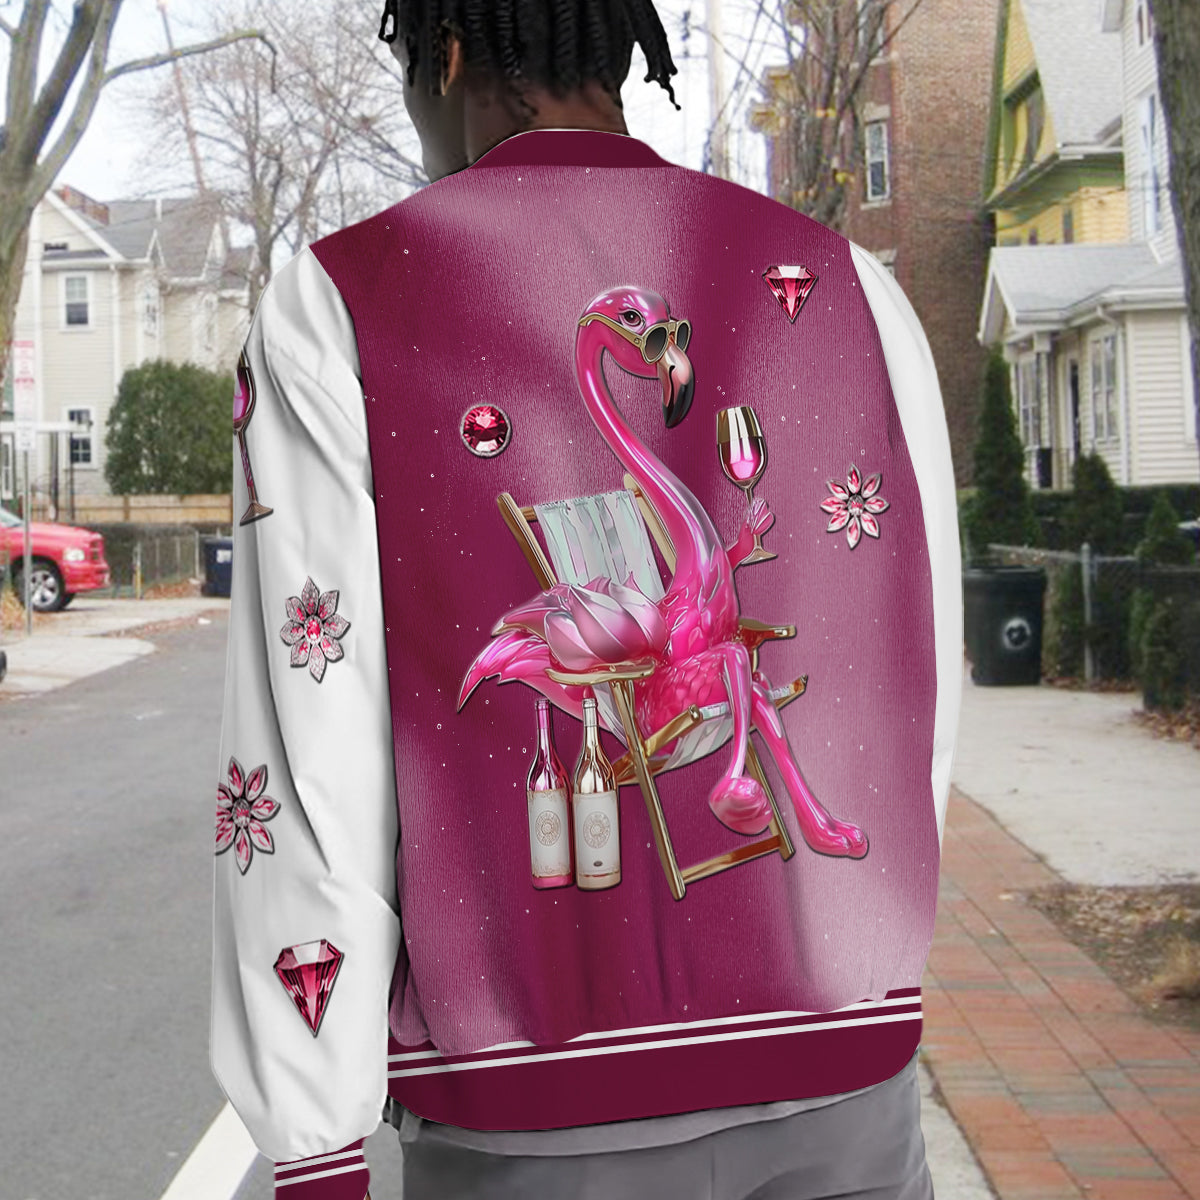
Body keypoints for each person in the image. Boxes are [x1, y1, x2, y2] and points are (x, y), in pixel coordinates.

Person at [208, 2, 963, 1198]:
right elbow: (917, 670)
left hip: (532, 1116)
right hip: (847, 1079)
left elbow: (309, 749)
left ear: (450, 55)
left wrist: (317, 1140)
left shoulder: (339, 305)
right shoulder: (854, 286)